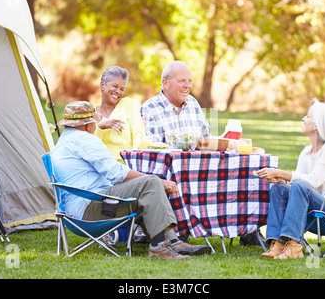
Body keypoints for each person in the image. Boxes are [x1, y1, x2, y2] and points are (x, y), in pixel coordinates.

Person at [51, 101, 211, 259]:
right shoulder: (84, 139)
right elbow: (115, 173)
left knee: (147, 193)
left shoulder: (63, 141)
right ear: (87, 125)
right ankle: (159, 249)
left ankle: (172, 241)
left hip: (74, 213)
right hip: (89, 211)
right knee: (152, 183)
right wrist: (161, 182)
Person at [256, 99, 325, 259]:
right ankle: (278, 243)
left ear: (316, 125)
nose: (303, 119)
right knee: (278, 189)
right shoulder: (306, 152)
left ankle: (294, 247)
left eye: (308, 116)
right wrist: (281, 181)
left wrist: (280, 172)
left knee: (300, 185)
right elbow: (296, 187)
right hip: (312, 210)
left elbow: (312, 181)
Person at [140, 61, 210, 143]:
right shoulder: (149, 109)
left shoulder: (193, 103)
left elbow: (206, 140)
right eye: (182, 81)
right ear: (165, 83)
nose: (187, 86)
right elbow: (151, 150)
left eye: (190, 80)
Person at [95, 66, 145, 164]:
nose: (118, 92)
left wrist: (134, 163)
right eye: (114, 86)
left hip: (128, 166)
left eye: (122, 89)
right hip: (102, 169)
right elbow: (90, 147)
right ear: (102, 85)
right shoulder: (92, 114)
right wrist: (101, 127)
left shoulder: (128, 104)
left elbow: (138, 134)